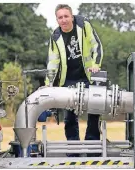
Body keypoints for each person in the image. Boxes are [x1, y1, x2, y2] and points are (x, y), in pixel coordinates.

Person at [44, 4, 104, 157]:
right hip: (68, 80)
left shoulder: (84, 25)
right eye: (60, 17)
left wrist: (96, 65)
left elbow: (96, 45)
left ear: (71, 16)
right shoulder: (55, 36)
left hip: (87, 76)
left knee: (94, 112)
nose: (63, 20)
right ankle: (73, 149)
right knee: (70, 117)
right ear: (57, 20)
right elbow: (52, 62)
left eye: (66, 16)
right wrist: (48, 85)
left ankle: (92, 149)